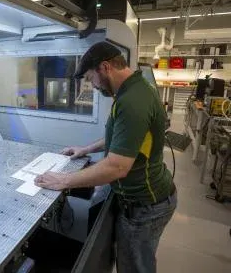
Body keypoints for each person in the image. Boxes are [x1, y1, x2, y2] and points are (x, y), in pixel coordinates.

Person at [34, 41, 177, 273]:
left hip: (145, 205)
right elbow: (122, 137)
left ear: (105, 67)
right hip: (141, 200)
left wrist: (63, 181)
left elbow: (117, 168)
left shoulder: (132, 101)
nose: (93, 86)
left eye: (91, 79)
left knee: (135, 268)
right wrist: (85, 150)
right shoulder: (133, 90)